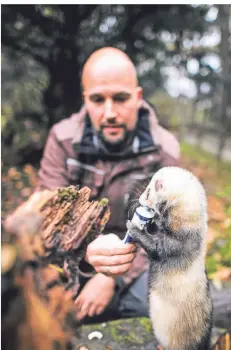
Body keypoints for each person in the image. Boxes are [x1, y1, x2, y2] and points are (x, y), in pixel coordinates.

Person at [37, 47, 180, 323]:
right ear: (85, 100)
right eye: (97, 100)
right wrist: (83, 252)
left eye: (120, 98)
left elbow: (165, 233)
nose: (109, 112)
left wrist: (112, 278)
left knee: (169, 304)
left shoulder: (165, 152)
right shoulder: (62, 140)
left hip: (135, 261)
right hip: (72, 254)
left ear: (138, 98)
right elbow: (46, 217)